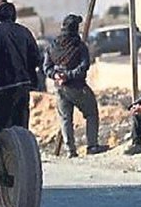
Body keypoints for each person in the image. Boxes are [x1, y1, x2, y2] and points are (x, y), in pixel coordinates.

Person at [43, 14, 106, 158]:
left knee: (65, 119)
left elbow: (46, 67)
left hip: (59, 88)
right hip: (77, 87)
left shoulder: (53, 45)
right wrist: (69, 75)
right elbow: (84, 65)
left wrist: (56, 75)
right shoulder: (79, 45)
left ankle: (70, 150)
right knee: (91, 113)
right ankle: (92, 146)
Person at [0, 0, 40, 132]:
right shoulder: (24, 31)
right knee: (21, 129)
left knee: (1, 132)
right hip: (22, 87)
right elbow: (35, 58)